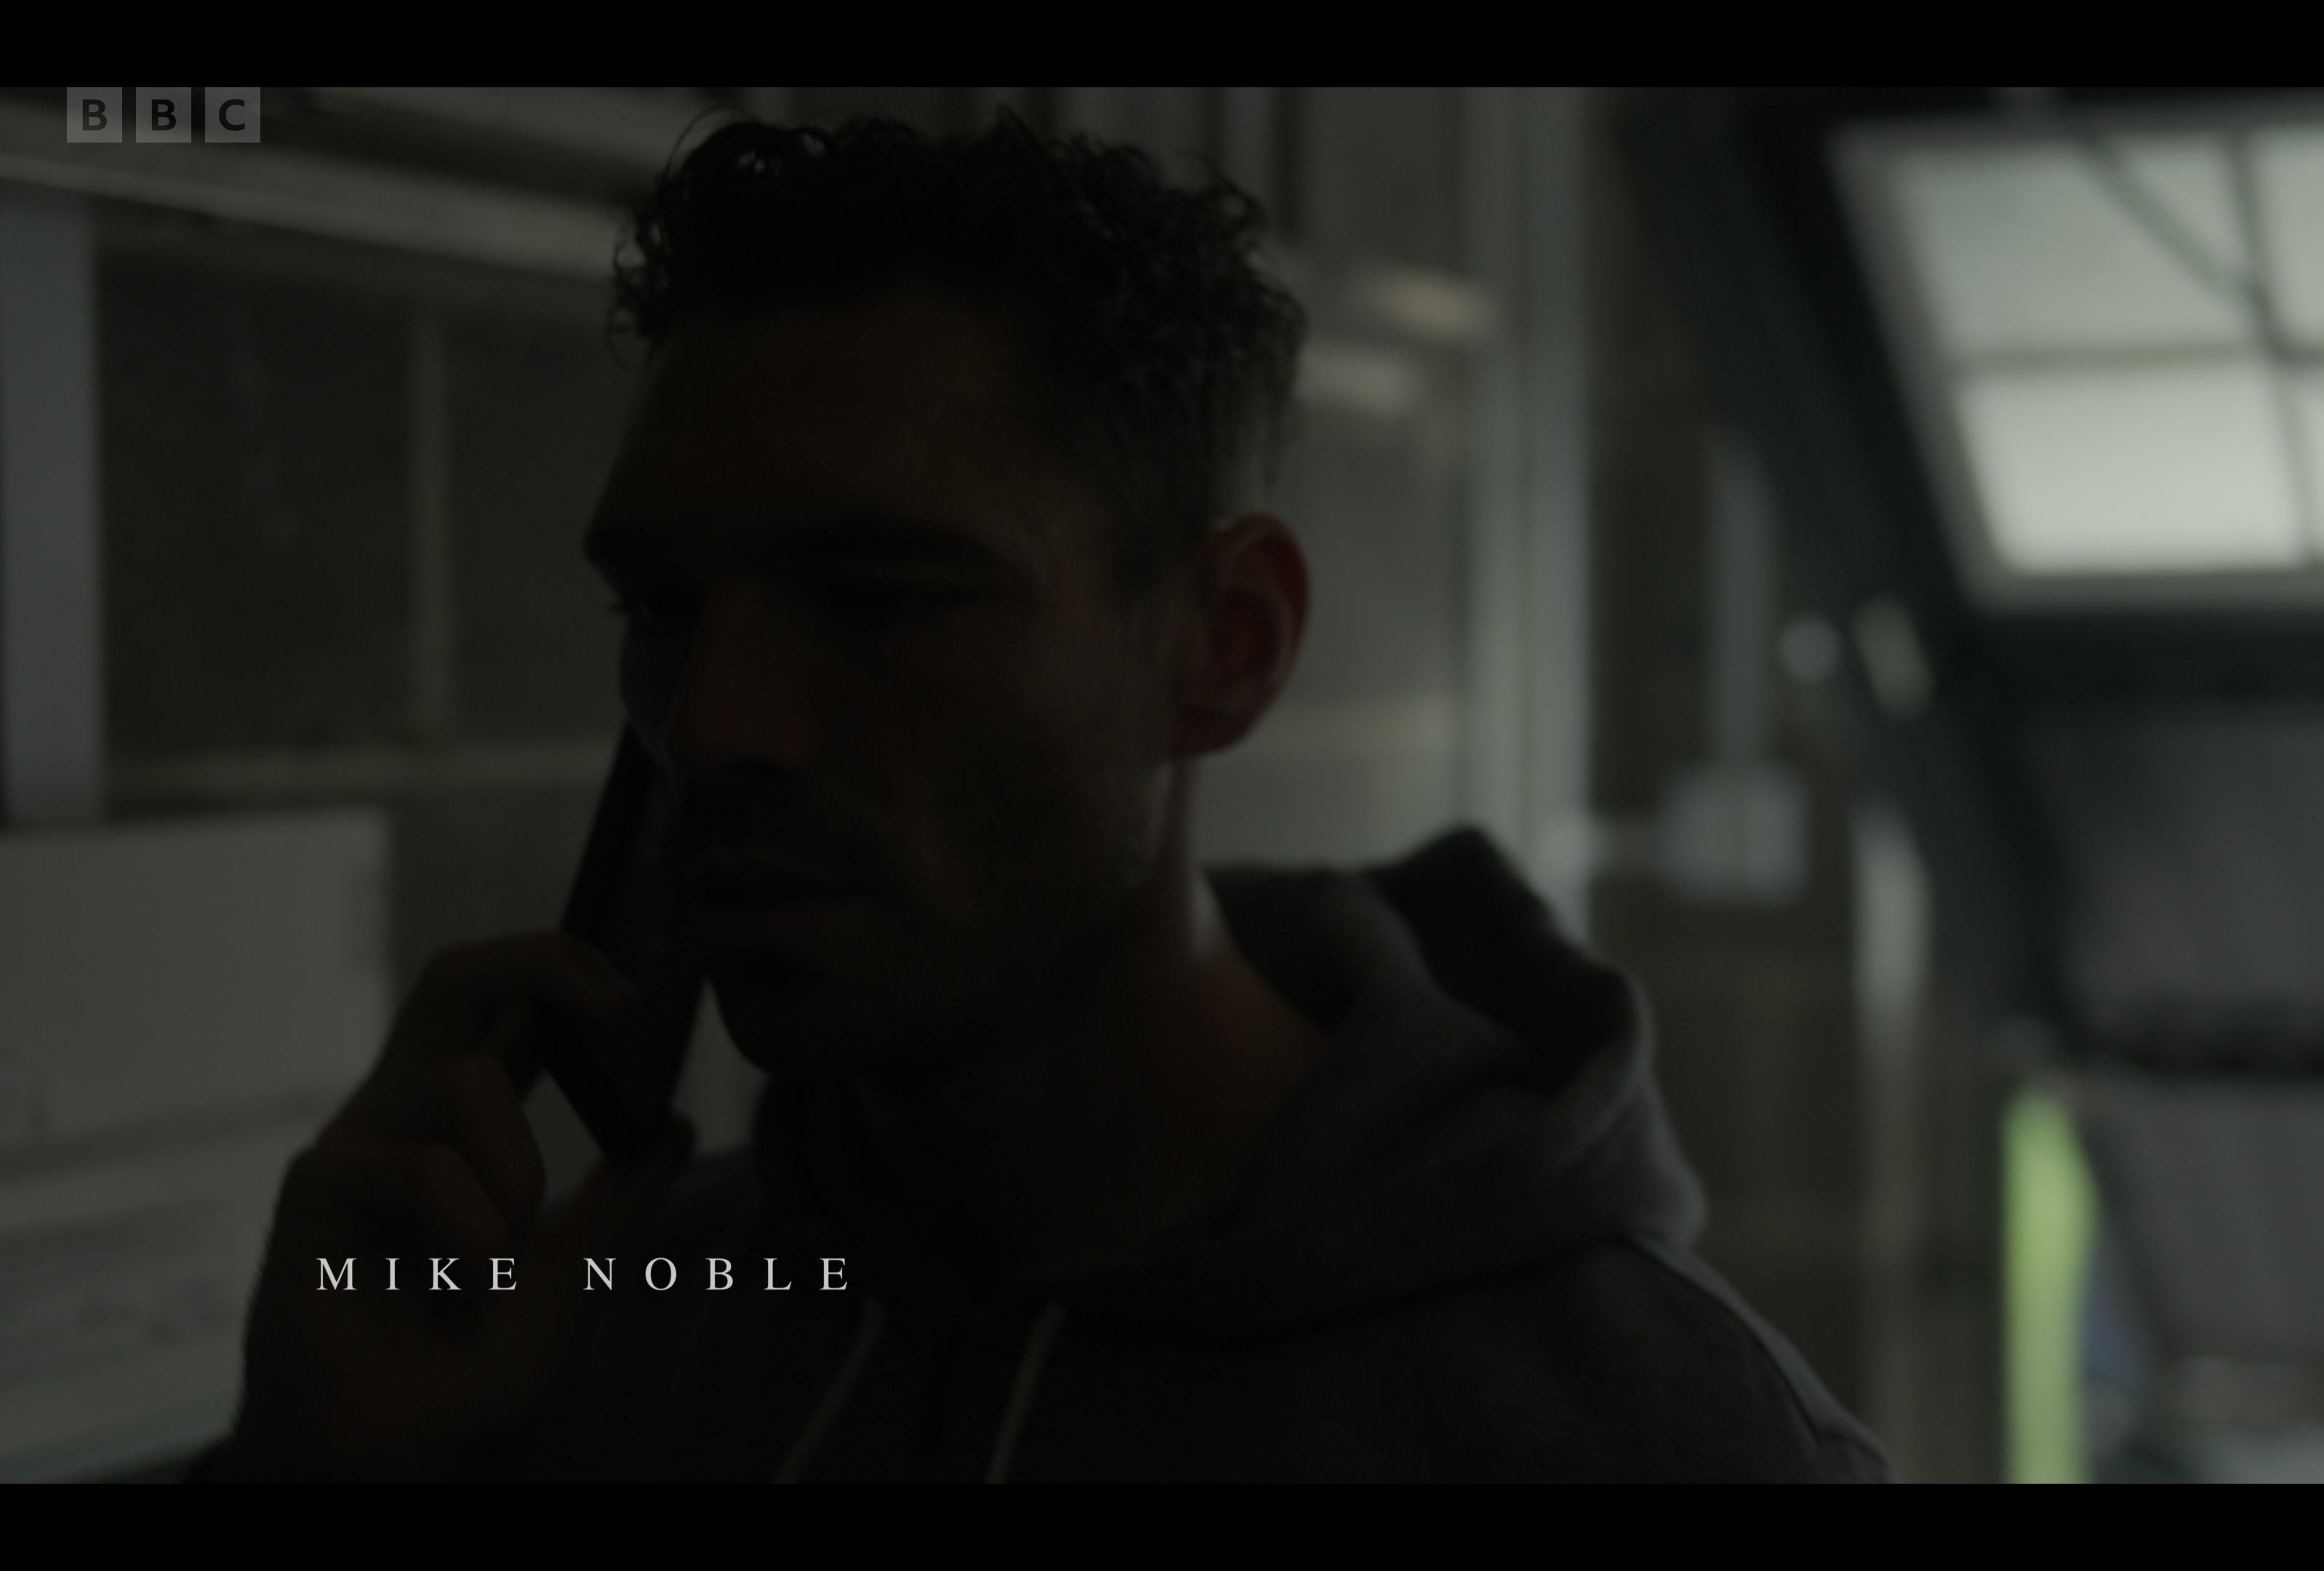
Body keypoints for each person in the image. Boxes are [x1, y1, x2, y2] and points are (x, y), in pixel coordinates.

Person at [200, 110, 1893, 1483]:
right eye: (661, 607)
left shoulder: (1653, 1440)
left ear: (1226, 643)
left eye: (877, 599)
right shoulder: (594, 1338)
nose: (708, 725)